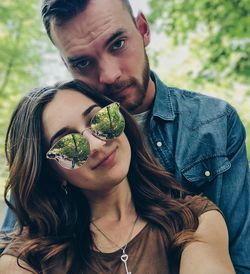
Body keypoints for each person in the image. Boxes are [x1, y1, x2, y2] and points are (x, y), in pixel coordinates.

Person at [1, 0, 250, 272]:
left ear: (142, 29)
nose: (109, 75)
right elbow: (19, 245)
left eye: (117, 44)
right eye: (82, 62)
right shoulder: (44, 149)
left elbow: (237, 258)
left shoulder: (212, 123)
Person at [0, 80, 235, 273]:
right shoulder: (29, 257)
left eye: (101, 120)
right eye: (69, 145)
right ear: (53, 172)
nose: (97, 145)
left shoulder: (195, 219)